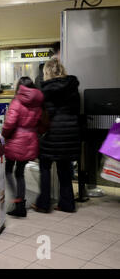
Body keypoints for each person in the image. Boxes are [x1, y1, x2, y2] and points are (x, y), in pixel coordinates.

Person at [33, 58, 80, 213]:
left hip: (50, 134)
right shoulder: (73, 88)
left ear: (47, 72)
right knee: (65, 169)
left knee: (45, 168)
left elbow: (41, 115)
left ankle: (44, 204)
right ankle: (67, 204)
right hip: (69, 133)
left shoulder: (44, 91)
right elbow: (76, 111)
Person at [2, 77, 44, 217]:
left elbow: (9, 124)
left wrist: (4, 135)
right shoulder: (38, 103)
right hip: (30, 140)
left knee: (8, 170)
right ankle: (21, 204)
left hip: (15, 140)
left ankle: (17, 200)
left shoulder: (17, 101)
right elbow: (41, 123)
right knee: (20, 172)